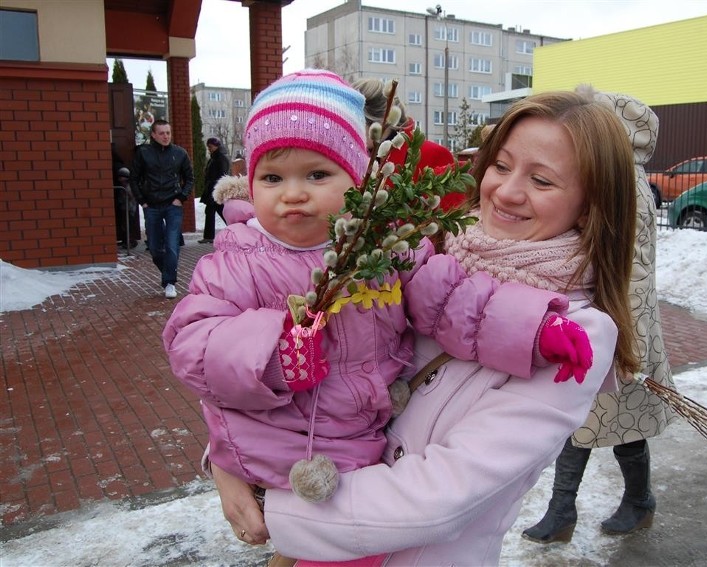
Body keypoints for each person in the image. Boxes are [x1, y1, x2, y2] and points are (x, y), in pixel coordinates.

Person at [163, 71, 594, 557]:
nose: (293, 193)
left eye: (317, 174)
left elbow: (450, 299)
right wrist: (273, 356)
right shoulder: (238, 259)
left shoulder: (386, 250)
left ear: (359, 182)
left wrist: (533, 329)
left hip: (356, 464)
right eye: (272, 177)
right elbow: (192, 342)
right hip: (274, 446)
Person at [521, 87, 678, 544]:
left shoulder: (623, 184)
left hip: (619, 329)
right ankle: (581, 508)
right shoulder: (617, 176)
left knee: (601, 424)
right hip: (606, 324)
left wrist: (629, 342)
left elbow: (633, 271)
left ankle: (605, 506)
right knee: (596, 422)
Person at [351, 78, 461, 211]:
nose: (348, 130)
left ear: (379, 122)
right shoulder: (350, 155)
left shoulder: (433, 156)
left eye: (354, 123)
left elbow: (446, 219)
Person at [130, 118, 193, 299]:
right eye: (162, 133)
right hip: (151, 206)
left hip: (173, 205)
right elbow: (134, 179)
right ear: (153, 135)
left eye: (168, 133)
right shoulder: (144, 153)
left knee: (172, 245)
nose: (166, 136)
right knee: (155, 248)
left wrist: (181, 197)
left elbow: (189, 178)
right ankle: (167, 273)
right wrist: (143, 200)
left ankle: (170, 283)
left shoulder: (179, 153)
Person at [199, 137, 230, 243]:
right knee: (212, 211)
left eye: (210, 146)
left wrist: (217, 188)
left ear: (216, 146)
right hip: (212, 188)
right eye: (208, 147)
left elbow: (222, 174)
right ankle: (208, 236)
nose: (209, 149)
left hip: (215, 189)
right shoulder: (214, 157)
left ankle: (234, 229)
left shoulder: (220, 158)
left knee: (220, 211)